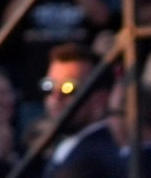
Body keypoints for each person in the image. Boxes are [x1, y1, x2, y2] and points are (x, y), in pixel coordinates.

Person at [41, 43, 129, 178]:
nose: (56, 97)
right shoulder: (72, 147)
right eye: (49, 85)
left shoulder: (97, 158)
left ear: (100, 99)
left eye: (68, 87)